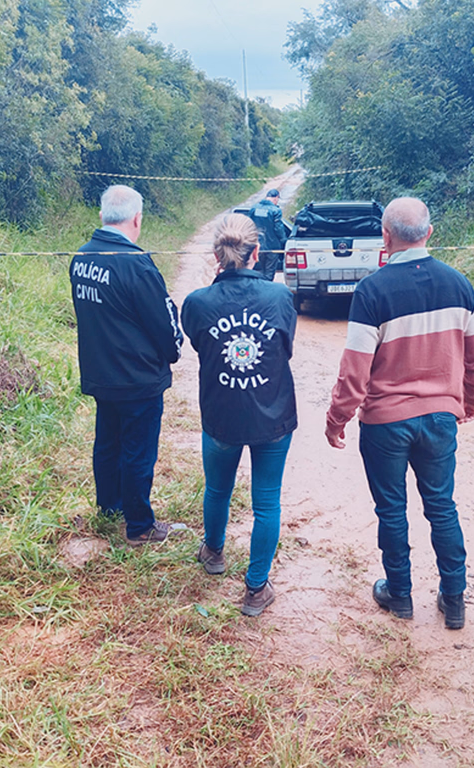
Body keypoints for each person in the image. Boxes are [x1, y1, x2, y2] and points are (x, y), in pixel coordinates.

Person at [325, 197, 474, 630]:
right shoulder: (459, 284)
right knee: (442, 506)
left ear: (385, 236)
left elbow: (355, 370)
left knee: (392, 509)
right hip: (440, 419)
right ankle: (453, 599)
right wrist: (466, 403)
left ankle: (400, 595)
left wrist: (337, 418)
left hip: (385, 423)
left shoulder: (372, 291)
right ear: (429, 233)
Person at [182, 213, 297, 616]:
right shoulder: (280, 297)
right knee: (266, 501)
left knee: (218, 488)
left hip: (221, 415)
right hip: (273, 416)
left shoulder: (197, 303)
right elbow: (284, 347)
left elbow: (200, 345)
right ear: (256, 253)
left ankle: (213, 552)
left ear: (216, 254)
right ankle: (255, 588)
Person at [70, 185, 183, 546]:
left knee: (108, 442)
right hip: (137, 378)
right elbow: (165, 324)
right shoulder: (136, 264)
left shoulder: (82, 258)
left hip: (101, 373)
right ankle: (139, 526)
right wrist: (173, 351)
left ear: (103, 216)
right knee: (137, 451)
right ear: (137, 219)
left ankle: (109, 508)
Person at [248, 189, 289, 281]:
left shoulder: (254, 208)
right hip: (272, 246)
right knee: (269, 272)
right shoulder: (275, 211)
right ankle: (266, 288)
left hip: (258, 246)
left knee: (261, 270)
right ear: (276, 198)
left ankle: (261, 285)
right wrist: (284, 241)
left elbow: (249, 225)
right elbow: (278, 228)